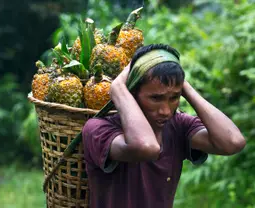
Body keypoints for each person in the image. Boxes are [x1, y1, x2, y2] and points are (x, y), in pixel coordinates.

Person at [82, 44, 246, 208]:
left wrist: (184, 87)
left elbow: (232, 142)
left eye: (174, 98)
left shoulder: (178, 126)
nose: (165, 111)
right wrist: (118, 89)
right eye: (155, 98)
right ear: (132, 93)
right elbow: (147, 147)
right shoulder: (98, 129)